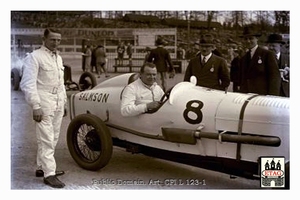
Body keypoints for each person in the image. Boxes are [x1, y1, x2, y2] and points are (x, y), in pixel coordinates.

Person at [20, 28, 66, 188]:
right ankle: (49, 174)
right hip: (44, 101)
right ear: (44, 39)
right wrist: (36, 105)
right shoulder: (34, 57)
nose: (56, 43)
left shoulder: (58, 58)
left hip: (58, 101)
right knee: (46, 138)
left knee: (53, 137)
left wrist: (63, 102)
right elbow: (27, 84)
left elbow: (61, 83)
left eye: (59, 40)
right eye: (53, 39)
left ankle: (42, 167)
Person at [238, 26, 281, 96]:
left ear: (257, 39)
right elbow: (242, 79)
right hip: (246, 97)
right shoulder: (243, 58)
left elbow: (275, 77)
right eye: (245, 39)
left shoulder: (267, 54)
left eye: (251, 38)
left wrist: (272, 97)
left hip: (262, 98)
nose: (248, 41)